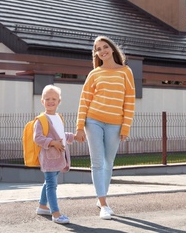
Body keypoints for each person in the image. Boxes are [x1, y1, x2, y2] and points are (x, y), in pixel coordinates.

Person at [75, 36, 136, 220]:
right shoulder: (95, 74)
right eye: (98, 49)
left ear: (112, 49)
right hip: (93, 120)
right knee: (97, 162)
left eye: (105, 47)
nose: (102, 51)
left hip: (115, 124)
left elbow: (129, 101)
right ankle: (103, 203)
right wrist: (79, 127)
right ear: (96, 54)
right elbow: (84, 100)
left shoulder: (126, 72)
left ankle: (101, 196)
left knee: (109, 162)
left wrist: (126, 127)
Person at [34, 84, 75, 224]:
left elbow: (61, 135)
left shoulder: (59, 117)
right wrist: (53, 143)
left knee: (49, 182)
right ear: (42, 101)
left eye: (54, 99)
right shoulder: (41, 120)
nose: (50, 101)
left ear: (59, 101)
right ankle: (56, 213)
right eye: (47, 99)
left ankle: (42, 206)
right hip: (49, 158)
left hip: (59, 157)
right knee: (52, 185)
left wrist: (72, 136)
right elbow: (37, 138)